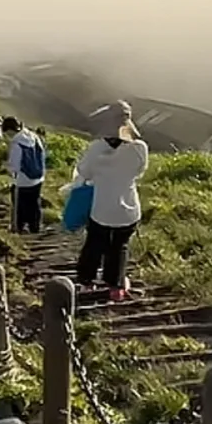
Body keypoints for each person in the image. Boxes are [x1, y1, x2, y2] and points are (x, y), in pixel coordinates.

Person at [70, 101, 149, 303]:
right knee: (120, 246)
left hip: (101, 208)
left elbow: (84, 172)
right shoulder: (139, 148)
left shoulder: (96, 149)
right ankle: (115, 286)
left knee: (95, 243)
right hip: (129, 209)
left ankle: (86, 281)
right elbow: (139, 171)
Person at [2, 118, 47, 235]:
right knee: (34, 204)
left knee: (19, 205)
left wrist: (8, 169)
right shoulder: (34, 136)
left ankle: (18, 228)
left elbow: (15, 165)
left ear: (10, 130)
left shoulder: (17, 142)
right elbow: (42, 153)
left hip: (22, 180)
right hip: (38, 178)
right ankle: (35, 227)